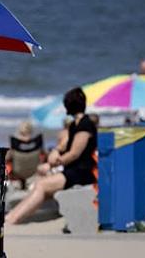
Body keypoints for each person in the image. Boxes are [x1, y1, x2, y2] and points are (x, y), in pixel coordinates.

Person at [7, 87, 97, 225]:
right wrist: (55, 151)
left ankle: (13, 219)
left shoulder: (85, 125)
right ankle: (12, 216)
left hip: (82, 172)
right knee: (40, 184)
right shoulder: (74, 125)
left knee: (42, 185)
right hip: (72, 170)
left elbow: (74, 154)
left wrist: (53, 164)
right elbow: (64, 145)